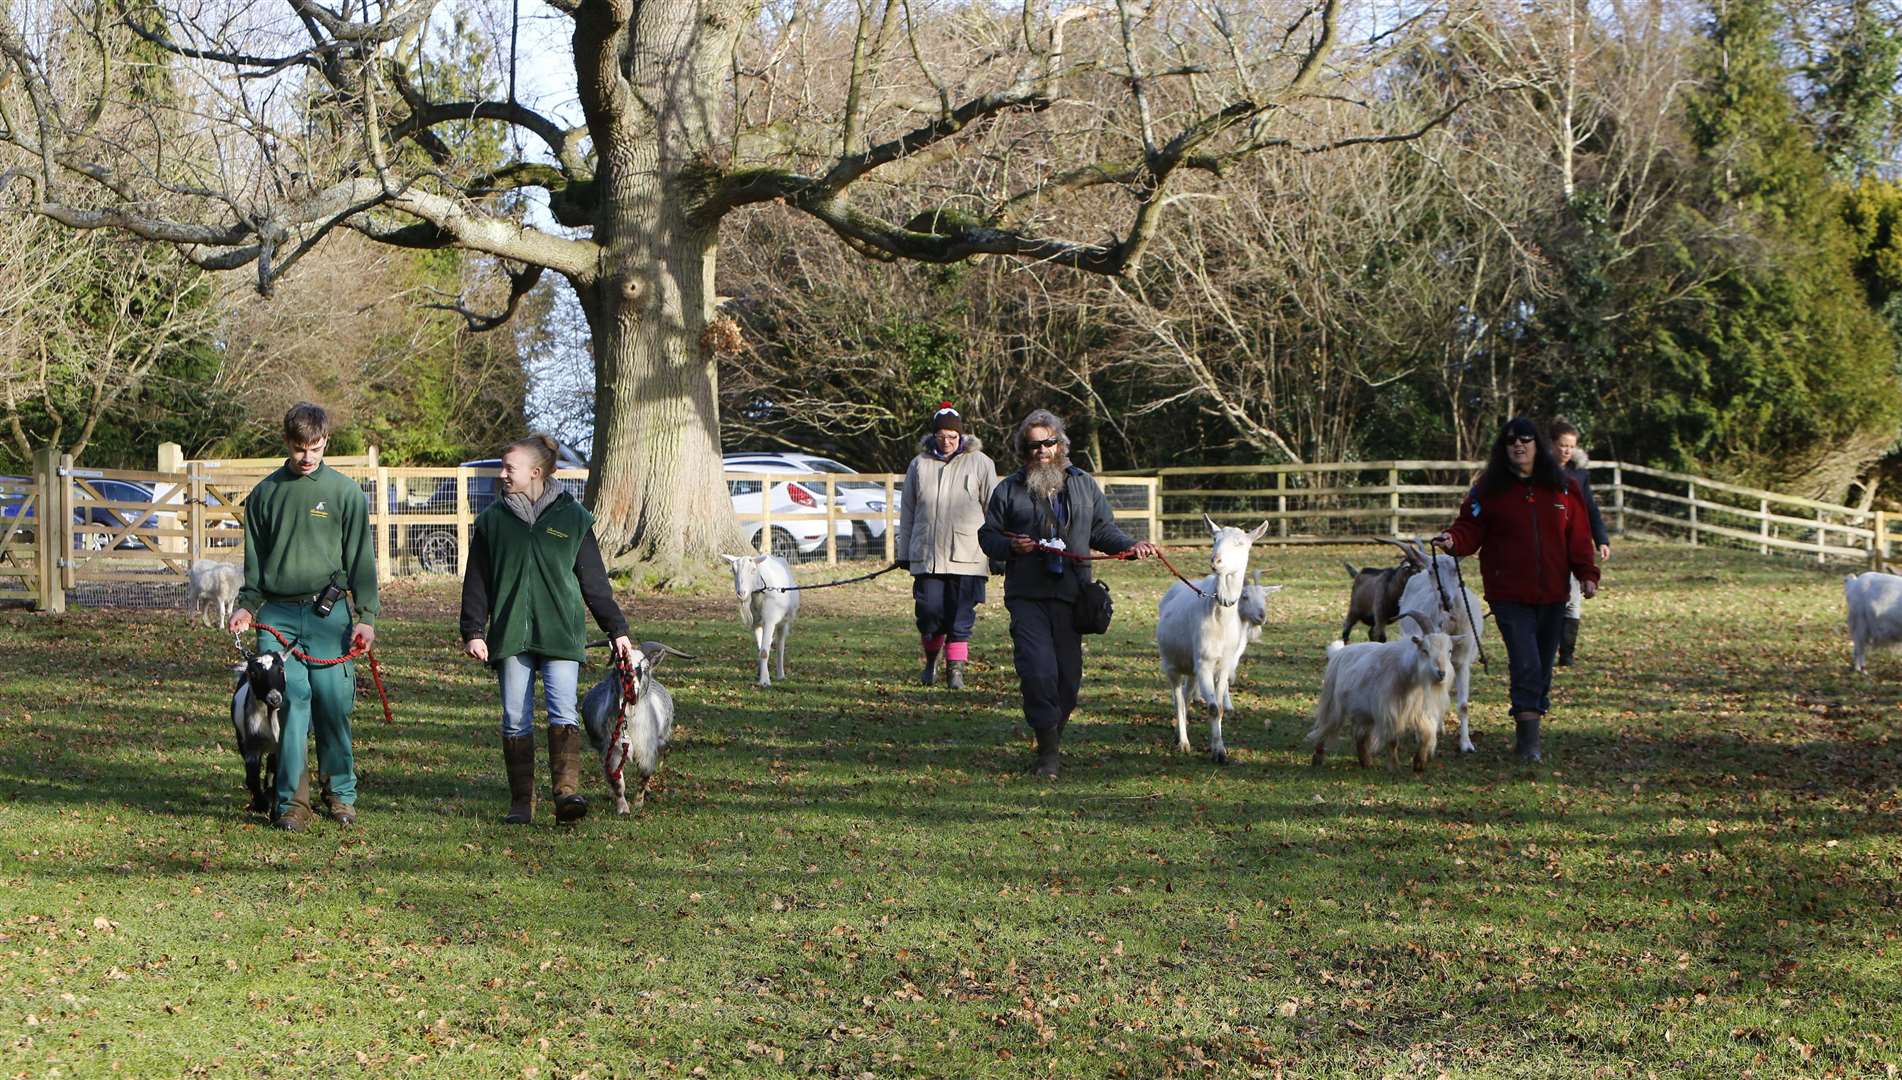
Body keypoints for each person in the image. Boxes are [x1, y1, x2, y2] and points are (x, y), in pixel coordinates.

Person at [460, 435, 633, 825]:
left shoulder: (574, 518)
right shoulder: (492, 521)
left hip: (560, 633)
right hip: (511, 636)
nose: (502, 474)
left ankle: (565, 794)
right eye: (502, 467)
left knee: (562, 711)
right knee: (515, 718)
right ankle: (522, 802)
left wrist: (616, 629)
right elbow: (477, 582)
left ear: (535, 473)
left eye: (509, 468)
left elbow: (594, 582)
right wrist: (474, 630)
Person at [978, 409, 1159, 778]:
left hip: (1072, 596)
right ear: (1023, 450)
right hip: (1028, 596)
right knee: (1038, 671)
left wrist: (1129, 547)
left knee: (1068, 681)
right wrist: (1013, 548)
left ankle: (1051, 738)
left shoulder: (1083, 485)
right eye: (1033, 446)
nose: (1041, 451)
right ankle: (1048, 755)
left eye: (1048, 443)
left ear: (1060, 445)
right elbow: (988, 536)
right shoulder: (1008, 489)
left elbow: (1103, 531)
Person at [229, 403, 378, 831]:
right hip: (277, 617)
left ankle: (341, 793)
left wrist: (366, 616)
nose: (307, 457)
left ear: (326, 442)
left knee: (333, 702)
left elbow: (362, 562)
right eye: (299, 448)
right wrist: (245, 606)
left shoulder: (345, 494)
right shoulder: (264, 496)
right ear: (286, 444)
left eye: (315, 447)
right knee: (290, 702)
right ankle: (292, 801)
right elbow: (253, 571)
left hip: (328, 614)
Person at [1433, 417, 1599, 763]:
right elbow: (1470, 527)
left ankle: (1532, 716)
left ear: (1538, 444)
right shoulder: (1488, 490)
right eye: (1511, 441)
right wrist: (1453, 540)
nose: (1518, 445)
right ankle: (1528, 744)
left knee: (1542, 665)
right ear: (1503, 448)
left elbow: (1579, 536)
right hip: (1508, 593)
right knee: (1525, 661)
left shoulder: (1564, 488)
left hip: (1554, 592)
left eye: (1525, 439)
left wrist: (1587, 574)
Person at [897, 402, 999, 690]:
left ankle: (955, 672)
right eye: (942, 436)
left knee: (961, 615)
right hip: (927, 555)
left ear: (961, 436)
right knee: (929, 613)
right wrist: (905, 551)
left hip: (968, 555)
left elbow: (994, 509)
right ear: (934, 436)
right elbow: (908, 511)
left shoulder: (981, 463)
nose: (947, 441)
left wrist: (998, 550)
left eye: (953, 436)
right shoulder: (919, 464)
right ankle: (931, 660)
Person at [1549, 419, 1611, 666]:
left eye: (1571, 446)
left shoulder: (1579, 476)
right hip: (1548, 545)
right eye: (1562, 445)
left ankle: (1566, 653)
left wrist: (1601, 539)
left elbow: (1590, 509)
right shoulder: (1538, 472)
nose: (1566, 450)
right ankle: (1547, 647)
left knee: (1573, 598)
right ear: (1553, 444)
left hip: (1573, 544)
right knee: (1554, 598)